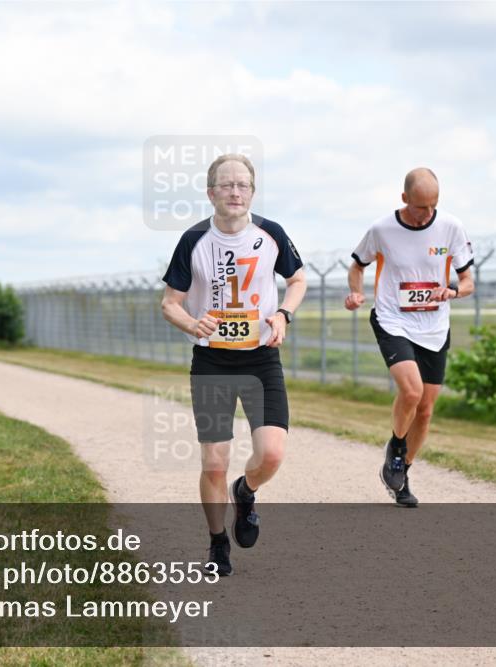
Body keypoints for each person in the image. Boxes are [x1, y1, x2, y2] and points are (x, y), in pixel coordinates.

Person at [161, 154, 307, 576]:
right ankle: (218, 541)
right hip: (212, 361)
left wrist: (283, 315)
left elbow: (297, 280)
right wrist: (193, 323)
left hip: (261, 359)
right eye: (226, 185)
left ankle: (245, 491)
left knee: (271, 454)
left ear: (252, 192)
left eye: (243, 185)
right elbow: (170, 303)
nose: (235, 192)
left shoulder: (271, 233)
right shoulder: (194, 240)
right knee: (214, 461)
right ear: (211, 193)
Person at [344, 167, 474, 507]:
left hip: (434, 326)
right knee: (412, 391)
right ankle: (397, 447)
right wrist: (356, 292)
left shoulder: (452, 227)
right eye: (420, 207)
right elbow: (357, 265)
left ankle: (401, 474)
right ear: (404, 198)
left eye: (433, 206)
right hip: (393, 319)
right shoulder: (381, 229)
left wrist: (453, 291)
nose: (427, 214)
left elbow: (468, 282)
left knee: (426, 410)